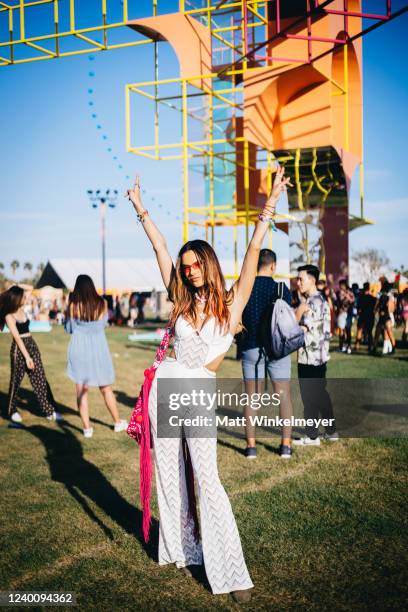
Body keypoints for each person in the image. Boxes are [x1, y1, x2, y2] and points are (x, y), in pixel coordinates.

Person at [125, 167, 292, 603]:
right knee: (170, 474)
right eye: (186, 266)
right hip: (167, 388)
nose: (191, 271)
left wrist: (270, 204)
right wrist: (141, 209)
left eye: (197, 263)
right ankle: (184, 549)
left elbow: (255, 247)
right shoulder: (180, 298)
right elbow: (160, 247)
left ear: (209, 263)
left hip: (199, 392)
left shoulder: (232, 302)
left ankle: (231, 570)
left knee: (207, 478)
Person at [240, 249, 294, 459]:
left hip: (251, 347)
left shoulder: (246, 287)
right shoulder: (281, 288)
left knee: (252, 398)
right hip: (278, 349)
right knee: (283, 396)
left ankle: (251, 447)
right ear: (273, 266)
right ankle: (285, 446)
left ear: (257, 265)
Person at [64, 275, 128, 438]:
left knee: (81, 391)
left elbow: (69, 328)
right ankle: (117, 421)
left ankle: (87, 428)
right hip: (99, 351)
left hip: (79, 351)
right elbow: (104, 324)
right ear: (92, 287)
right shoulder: (102, 304)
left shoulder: (73, 306)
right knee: (106, 388)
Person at [0, 285, 61, 423]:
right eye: (23, 296)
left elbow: (31, 288)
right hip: (19, 349)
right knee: (15, 382)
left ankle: (49, 410)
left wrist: (17, 284)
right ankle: (11, 411)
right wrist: (27, 357)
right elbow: (16, 337)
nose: (26, 298)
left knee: (40, 378)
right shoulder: (9, 316)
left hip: (31, 344)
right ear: (17, 298)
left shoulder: (21, 309)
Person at [293, 265, 338, 446]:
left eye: (300, 279)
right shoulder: (321, 300)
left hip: (309, 358)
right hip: (319, 357)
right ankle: (331, 431)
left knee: (309, 397)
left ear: (311, 281)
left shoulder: (310, 303)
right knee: (320, 395)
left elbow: (300, 330)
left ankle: (312, 436)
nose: (298, 282)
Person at [355, 282, 376, 352]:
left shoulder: (361, 298)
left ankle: (357, 346)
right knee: (369, 332)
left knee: (359, 331)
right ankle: (370, 347)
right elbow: (375, 309)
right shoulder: (373, 298)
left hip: (362, 316)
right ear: (369, 288)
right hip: (370, 316)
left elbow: (358, 309)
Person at [336, 279, 355, 354]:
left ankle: (349, 346)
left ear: (345, 285)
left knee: (348, 330)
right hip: (341, 314)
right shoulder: (338, 293)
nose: (340, 286)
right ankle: (341, 346)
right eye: (340, 285)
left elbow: (352, 301)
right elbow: (338, 301)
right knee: (341, 330)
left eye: (342, 285)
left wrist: (347, 296)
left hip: (349, 314)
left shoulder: (350, 293)